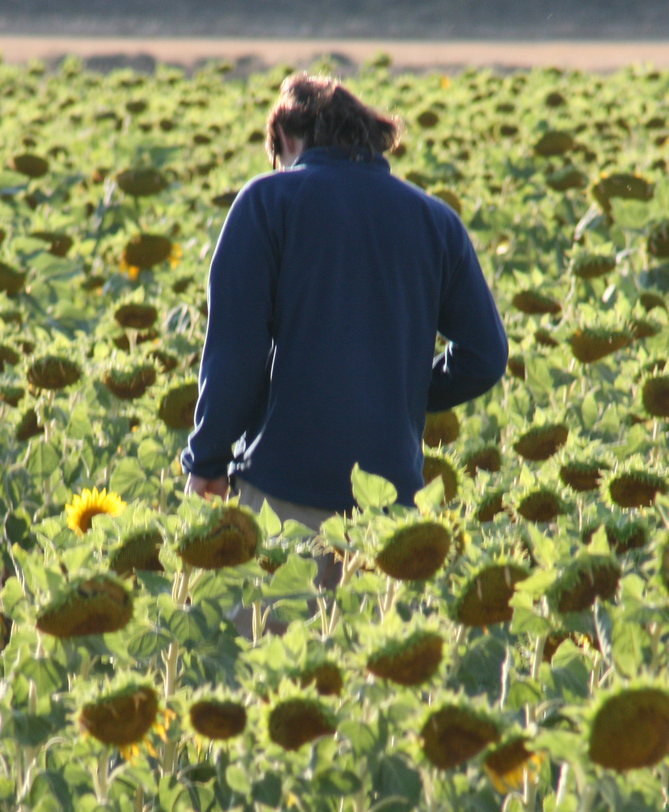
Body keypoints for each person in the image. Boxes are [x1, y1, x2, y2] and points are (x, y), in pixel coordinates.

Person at [181, 72, 509, 546]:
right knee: (376, 620)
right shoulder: (436, 220)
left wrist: (206, 460)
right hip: (392, 509)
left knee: (279, 616)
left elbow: (236, 354)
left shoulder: (269, 202)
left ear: (285, 137)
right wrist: (397, 391)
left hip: (284, 493)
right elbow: (485, 355)